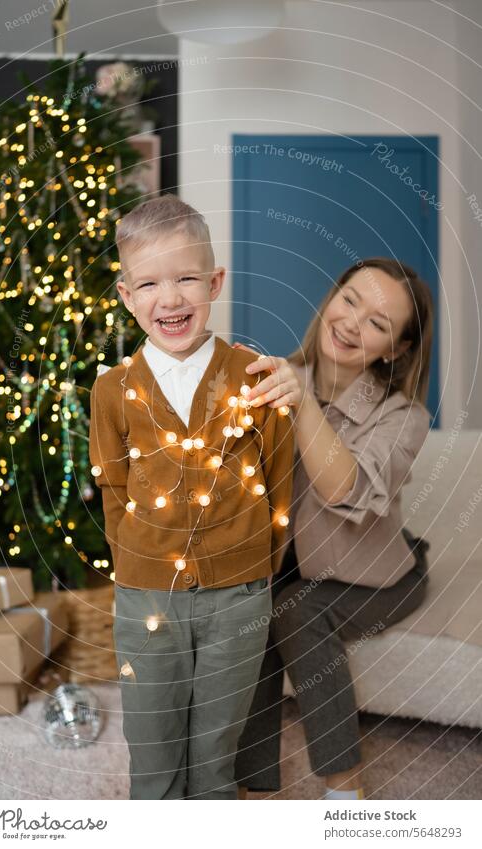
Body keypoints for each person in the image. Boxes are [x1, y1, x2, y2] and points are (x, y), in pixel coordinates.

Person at [89, 195, 294, 799]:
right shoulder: (112, 390)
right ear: (127, 296)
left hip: (240, 595)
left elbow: (279, 477)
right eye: (149, 283)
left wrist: (255, 565)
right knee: (152, 747)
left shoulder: (253, 374)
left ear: (215, 282)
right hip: (145, 593)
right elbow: (112, 486)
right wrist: (136, 561)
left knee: (215, 754)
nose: (170, 299)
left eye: (186, 278)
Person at [234, 257, 433, 800]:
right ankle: (251, 792)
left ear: (395, 350)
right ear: (331, 297)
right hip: (289, 564)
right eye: (350, 300)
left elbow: (343, 490)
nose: (351, 322)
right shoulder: (274, 377)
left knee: (297, 610)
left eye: (378, 322)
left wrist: (299, 405)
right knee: (254, 605)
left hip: (380, 575)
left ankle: (346, 789)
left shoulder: (403, 416)